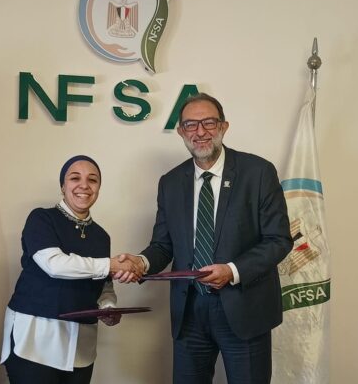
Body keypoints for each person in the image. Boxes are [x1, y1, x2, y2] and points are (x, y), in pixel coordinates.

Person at [116, 93, 293, 384]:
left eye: (209, 122)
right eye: (190, 125)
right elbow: (163, 245)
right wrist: (141, 262)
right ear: (181, 132)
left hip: (245, 308)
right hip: (189, 313)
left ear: (223, 126)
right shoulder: (170, 182)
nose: (200, 132)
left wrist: (232, 271)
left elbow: (278, 239)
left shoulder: (258, 172)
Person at [1, 155, 137, 384]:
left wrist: (108, 307)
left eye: (92, 180)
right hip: (36, 339)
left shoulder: (101, 236)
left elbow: (104, 286)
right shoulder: (41, 218)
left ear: (99, 188)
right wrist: (110, 264)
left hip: (81, 347)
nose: (84, 185)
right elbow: (54, 264)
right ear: (63, 186)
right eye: (75, 178)